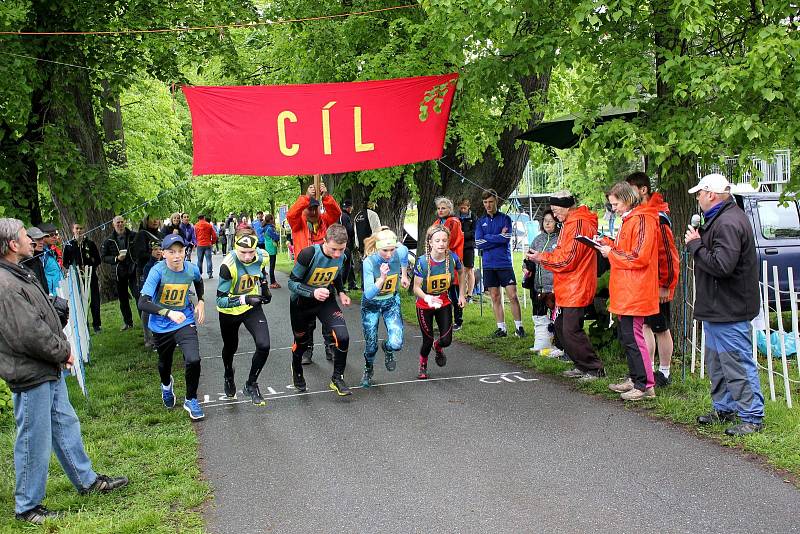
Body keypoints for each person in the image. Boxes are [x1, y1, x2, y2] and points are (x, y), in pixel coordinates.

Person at [0, 219, 128, 525]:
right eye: (23, 235)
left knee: (64, 423)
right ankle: (27, 506)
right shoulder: (5, 285)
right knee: (34, 438)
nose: (31, 239)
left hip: (47, 367)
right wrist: (64, 351)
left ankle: (87, 481)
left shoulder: (18, 273)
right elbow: (28, 334)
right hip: (30, 371)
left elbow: (38, 316)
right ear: (11, 245)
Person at [685, 173, 764, 436]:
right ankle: (725, 408)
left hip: (729, 307)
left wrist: (695, 245)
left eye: (699, 193)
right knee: (717, 362)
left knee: (737, 363)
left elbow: (722, 265)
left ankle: (752, 416)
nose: (697, 198)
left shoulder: (728, 222)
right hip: (719, 306)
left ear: (711, 194)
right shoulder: (722, 218)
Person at [529, 191, 605, 379]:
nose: (554, 216)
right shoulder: (570, 223)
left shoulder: (578, 224)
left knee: (570, 329)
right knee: (562, 326)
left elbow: (567, 260)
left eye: (555, 210)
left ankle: (594, 367)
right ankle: (581, 364)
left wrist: (541, 258)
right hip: (568, 285)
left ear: (566, 206)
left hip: (576, 285)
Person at [599, 182, 660, 401]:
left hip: (637, 289)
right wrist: (607, 245)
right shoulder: (633, 218)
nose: (612, 208)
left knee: (634, 337)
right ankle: (637, 380)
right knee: (628, 337)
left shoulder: (643, 219)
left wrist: (611, 253)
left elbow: (639, 257)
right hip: (628, 288)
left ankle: (644, 385)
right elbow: (628, 251)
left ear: (627, 199)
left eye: (615, 203)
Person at [138, 234, 206, 420]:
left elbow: (199, 282)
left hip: (184, 319)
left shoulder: (191, 269)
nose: (177, 256)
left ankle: (191, 399)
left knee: (193, 359)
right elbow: (142, 303)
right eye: (171, 252)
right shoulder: (157, 272)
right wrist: (168, 312)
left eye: (180, 251)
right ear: (163, 253)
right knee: (164, 363)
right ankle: (166, 385)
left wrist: (200, 301)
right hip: (161, 325)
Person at [625, 172, 680, 386]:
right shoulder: (638, 215)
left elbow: (668, 253)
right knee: (645, 327)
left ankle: (664, 371)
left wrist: (666, 284)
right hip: (642, 284)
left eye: (631, 190)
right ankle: (646, 370)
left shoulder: (658, 216)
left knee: (660, 327)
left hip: (658, 283)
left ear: (643, 190)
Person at [288, 224, 352, 395]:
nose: (337, 254)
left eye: (341, 249)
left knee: (343, 337)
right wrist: (313, 291)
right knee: (301, 343)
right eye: (333, 249)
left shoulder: (343, 256)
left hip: (325, 301)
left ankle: (337, 378)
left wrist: (341, 292)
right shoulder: (309, 254)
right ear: (324, 241)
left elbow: (336, 274)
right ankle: (297, 370)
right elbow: (292, 283)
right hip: (301, 303)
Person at [287, 178, 342, 364]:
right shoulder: (298, 224)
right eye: (309, 208)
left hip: (325, 277)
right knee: (306, 320)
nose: (312, 211)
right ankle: (306, 349)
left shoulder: (326, 222)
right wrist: (306, 198)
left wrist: (325, 196)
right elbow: (291, 214)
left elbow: (336, 212)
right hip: (304, 280)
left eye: (314, 208)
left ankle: (330, 346)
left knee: (328, 319)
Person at [216, 229, 273, 405]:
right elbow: (220, 300)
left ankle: (251, 384)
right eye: (243, 253)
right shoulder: (228, 265)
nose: (248, 257)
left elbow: (261, 270)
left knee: (264, 345)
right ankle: (228, 373)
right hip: (230, 311)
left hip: (251, 308)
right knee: (230, 347)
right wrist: (245, 298)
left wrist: (264, 286)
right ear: (235, 248)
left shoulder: (263, 255)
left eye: (251, 252)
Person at [413, 225, 465, 380]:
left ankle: (439, 346)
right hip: (425, 304)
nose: (441, 243)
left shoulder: (453, 258)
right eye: (437, 240)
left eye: (444, 240)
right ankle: (423, 364)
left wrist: (462, 294)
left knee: (447, 340)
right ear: (430, 242)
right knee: (427, 340)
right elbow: (416, 287)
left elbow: (462, 273)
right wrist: (427, 297)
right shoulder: (422, 262)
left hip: (443, 302)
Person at [359, 228, 410, 387]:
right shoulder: (369, 262)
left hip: (391, 302)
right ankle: (368, 367)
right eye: (385, 251)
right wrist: (381, 279)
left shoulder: (399, 251)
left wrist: (404, 275)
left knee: (396, 343)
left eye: (392, 249)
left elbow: (404, 252)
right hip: (371, 305)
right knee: (371, 346)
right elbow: (368, 294)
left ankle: (387, 349)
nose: (389, 254)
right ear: (377, 247)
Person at [474, 190, 525, 338]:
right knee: (495, 297)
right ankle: (501, 329)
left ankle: (519, 327)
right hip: (488, 265)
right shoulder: (480, 221)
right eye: (485, 203)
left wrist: (488, 238)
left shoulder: (505, 219)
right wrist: (497, 237)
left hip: (504, 263)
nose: (488, 205)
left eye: (490, 202)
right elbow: (479, 243)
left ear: (496, 201)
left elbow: (506, 238)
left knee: (513, 296)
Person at [524, 210, 559, 353]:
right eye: (545, 220)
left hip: (554, 286)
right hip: (537, 285)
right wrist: (526, 268)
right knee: (539, 315)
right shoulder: (538, 239)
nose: (547, 223)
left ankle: (558, 344)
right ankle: (542, 343)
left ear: (557, 222)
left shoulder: (560, 240)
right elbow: (528, 258)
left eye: (550, 220)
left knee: (556, 317)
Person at [62, 222, 103, 333]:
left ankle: (97, 325)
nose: (79, 230)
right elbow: (65, 263)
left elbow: (98, 259)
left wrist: (90, 266)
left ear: (84, 229)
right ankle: (84, 325)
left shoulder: (90, 243)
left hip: (91, 275)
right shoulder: (69, 245)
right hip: (77, 277)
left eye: (81, 228)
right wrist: (74, 268)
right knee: (80, 300)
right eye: (77, 228)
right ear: (73, 230)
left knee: (94, 299)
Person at [101, 215, 139, 330]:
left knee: (138, 295)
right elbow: (103, 257)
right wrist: (116, 259)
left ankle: (145, 320)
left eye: (122, 222)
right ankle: (128, 322)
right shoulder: (108, 240)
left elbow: (139, 249)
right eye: (118, 223)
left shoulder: (133, 236)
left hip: (133, 270)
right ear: (113, 224)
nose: (120, 224)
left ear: (125, 223)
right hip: (118, 272)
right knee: (123, 299)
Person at [435, 197, 466, 331]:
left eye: (443, 208)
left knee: (454, 293)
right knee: (442, 292)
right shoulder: (437, 222)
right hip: (439, 260)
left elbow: (452, 241)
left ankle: (458, 321)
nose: (440, 210)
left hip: (451, 260)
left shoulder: (453, 222)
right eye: (439, 208)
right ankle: (445, 322)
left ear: (449, 209)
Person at [37, 223, 64, 296]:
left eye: (55, 234)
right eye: (51, 235)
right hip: (51, 295)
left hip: (59, 292)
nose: (55, 237)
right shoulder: (42, 254)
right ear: (43, 237)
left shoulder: (50, 251)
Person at [458, 198, 476, 302]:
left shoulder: (473, 217)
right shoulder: (457, 217)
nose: (463, 210)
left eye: (464, 208)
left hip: (469, 246)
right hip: (459, 246)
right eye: (461, 208)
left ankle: (469, 294)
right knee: (461, 270)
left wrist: (464, 234)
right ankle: (462, 293)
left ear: (468, 207)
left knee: (469, 270)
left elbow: (474, 233)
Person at [21, 226, 49, 293]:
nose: (41, 242)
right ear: (29, 241)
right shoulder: (26, 261)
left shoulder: (37, 258)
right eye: (38, 239)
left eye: (42, 239)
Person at [339, 199, 358, 291]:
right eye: (351, 207)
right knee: (346, 265)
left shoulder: (341, 215)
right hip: (346, 244)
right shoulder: (345, 216)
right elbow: (349, 230)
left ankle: (352, 283)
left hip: (343, 243)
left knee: (350, 264)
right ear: (349, 207)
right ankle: (342, 286)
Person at [194, 215, 217, 279]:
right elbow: (214, 235)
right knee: (209, 260)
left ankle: (199, 273)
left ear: (198, 219)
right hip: (208, 244)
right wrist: (212, 242)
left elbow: (194, 235)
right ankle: (210, 273)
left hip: (200, 245)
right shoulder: (209, 225)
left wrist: (196, 243)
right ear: (204, 218)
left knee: (199, 260)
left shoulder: (196, 226)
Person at [263, 213, 281, 288]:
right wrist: (277, 235)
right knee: (272, 266)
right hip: (271, 248)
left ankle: (273, 281)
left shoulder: (265, 227)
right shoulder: (270, 228)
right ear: (270, 220)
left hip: (268, 247)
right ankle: (272, 282)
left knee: (271, 265)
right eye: (272, 219)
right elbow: (276, 237)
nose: (273, 220)